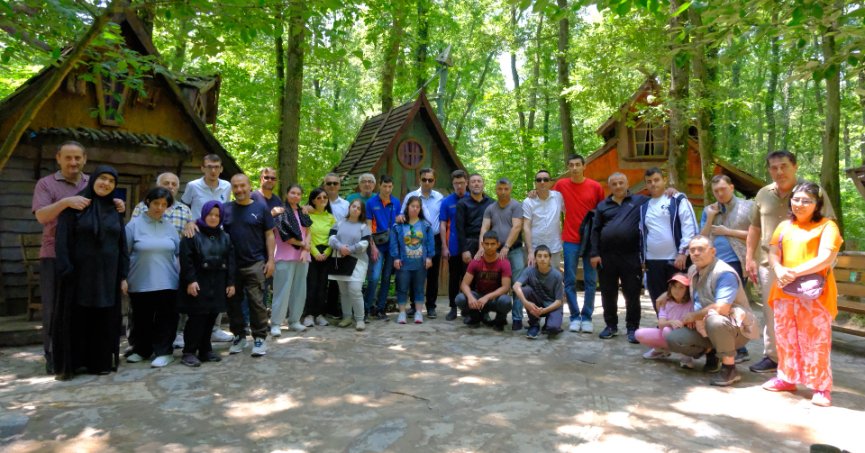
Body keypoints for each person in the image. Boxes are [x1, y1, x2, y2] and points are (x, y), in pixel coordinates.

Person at [32, 141, 124, 373]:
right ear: (58, 158)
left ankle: (89, 358)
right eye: (68, 158)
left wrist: (115, 203)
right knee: (55, 310)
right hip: (55, 255)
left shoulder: (90, 182)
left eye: (77, 158)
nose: (73, 162)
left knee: (86, 313)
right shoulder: (46, 184)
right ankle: (54, 358)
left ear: (84, 159)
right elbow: (42, 216)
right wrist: (65, 202)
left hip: (92, 264)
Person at [745, 150, 834, 374]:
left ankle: (806, 363)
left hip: (806, 265)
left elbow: (828, 224)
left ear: (794, 166)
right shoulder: (763, 194)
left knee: (806, 316)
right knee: (772, 313)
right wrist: (749, 258)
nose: (779, 171)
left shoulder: (812, 192)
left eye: (784, 166)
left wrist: (821, 264)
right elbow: (754, 228)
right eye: (774, 168)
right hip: (770, 264)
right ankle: (774, 358)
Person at [761, 182, 842, 407]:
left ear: (817, 204)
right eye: (796, 199)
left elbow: (826, 258)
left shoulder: (828, 227)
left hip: (814, 292)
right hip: (785, 290)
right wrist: (778, 269)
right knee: (786, 337)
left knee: (816, 340)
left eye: (806, 200)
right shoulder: (785, 226)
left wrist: (794, 272)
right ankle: (787, 378)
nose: (800, 204)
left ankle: (821, 387)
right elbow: (774, 252)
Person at [51, 165, 129, 380]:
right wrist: (66, 269)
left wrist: (123, 275)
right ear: (93, 180)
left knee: (103, 318)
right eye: (102, 179)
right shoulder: (75, 206)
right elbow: (62, 240)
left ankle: (99, 362)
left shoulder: (115, 210)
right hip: (78, 275)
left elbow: (122, 244)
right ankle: (74, 363)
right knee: (77, 317)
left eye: (111, 181)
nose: (106, 184)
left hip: (107, 275)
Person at [665, 236, 759, 387]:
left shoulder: (724, 273)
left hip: (737, 330)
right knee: (674, 339)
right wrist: (666, 296)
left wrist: (694, 316)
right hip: (705, 327)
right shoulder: (692, 270)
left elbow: (722, 308)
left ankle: (729, 368)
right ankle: (712, 353)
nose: (696, 253)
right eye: (692, 250)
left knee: (715, 319)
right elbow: (687, 292)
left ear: (713, 251)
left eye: (701, 249)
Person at [130, 172, 193, 351]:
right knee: (142, 312)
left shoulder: (183, 211)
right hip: (143, 270)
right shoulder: (140, 211)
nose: (171, 186)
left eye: (174, 184)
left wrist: (192, 223)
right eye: (166, 183)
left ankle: (167, 344)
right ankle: (140, 346)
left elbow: (185, 240)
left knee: (168, 311)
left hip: (170, 269)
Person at [180, 154, 234, 343]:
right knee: (194, 284)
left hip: (217, 238)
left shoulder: (226, 186)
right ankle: (183, 332)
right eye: (209, 166)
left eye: (217, 167)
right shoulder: (193, 186)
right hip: (197, 237)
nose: (213, 170)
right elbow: (184, 206)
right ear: (202, 168)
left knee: (217, 283)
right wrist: (188, 223)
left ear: (221, 169)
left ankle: (215, 329)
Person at [124, 187, 181, 368]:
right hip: (140, 280)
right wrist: (123, 278)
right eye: (156, 203)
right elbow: (124, 254)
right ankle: (142, 350)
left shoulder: (170, 227)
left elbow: (178, 253)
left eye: (164, 204)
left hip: (167, 281)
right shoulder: (133, 226)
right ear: (148, 202)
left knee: (166, 319)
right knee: (141, 318)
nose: (160, 207)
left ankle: (164, 352)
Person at [699, 174, 753, 363]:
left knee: (732, 306)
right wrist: (710, 218)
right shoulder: (710, 210)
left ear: (731, 187)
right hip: (713, 264)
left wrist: (727, 231)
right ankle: (720, 345)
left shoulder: (747, 207)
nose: (720, 193)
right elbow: (702, 239)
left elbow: (757, 235)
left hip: (736, 262)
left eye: (723, 189)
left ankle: (740, 347)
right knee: (716, 305)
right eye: (716, 191)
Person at [590, 173, 649, 343]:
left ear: (627, 183)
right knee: (608, 293)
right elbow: (595, 231)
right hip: (607, 257)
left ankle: (633, 328)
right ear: (610, 186)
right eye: (614, 184)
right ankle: (611, 326)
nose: (618, 186)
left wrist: (672, 191)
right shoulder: (602, 206)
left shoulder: (640, 201)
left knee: (632, 293)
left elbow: (659, 195)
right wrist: (594, 254)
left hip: (630, 256)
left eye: (621, 183)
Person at [178, 201, 236, 367]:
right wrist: (190, 280)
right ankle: (189, 351)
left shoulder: (225, 237)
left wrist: (231, 282)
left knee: (212, 316)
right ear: (204, 214)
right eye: (210, 214)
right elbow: (186, 259)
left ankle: (205, 350)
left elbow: (230, 261)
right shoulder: (193, 233)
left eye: (217, 215)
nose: (213, 218)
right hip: (198, 281)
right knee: (197, 318)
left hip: (217, 282)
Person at [223, 174, 275, 357]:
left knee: (257, 302)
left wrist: (271, 260)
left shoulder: (260, 208)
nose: (239, 190)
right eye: (235, 187)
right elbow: (209, 223)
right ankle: (239, 335)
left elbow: (270, 235)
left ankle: (259, 338)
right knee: (233, 303)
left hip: (256, 263)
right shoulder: (226, 209)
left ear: (249, 186)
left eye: (242, 186)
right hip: (231, 265)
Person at [552, 154, 605, 334]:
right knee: (569, 280)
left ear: (584, 166)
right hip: (570, 239)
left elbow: (602, 212)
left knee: (591, 280)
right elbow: (548, 198)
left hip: (590, 241)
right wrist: (534, 192)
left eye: (577, 165)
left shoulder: (595, 187)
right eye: (571, 165)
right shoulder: (561, 185)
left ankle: (587, 317)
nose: (574, 168)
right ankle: (574, 316)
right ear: (568, 167)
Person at [639, 167, 698, 316]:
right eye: (649, 181)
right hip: (652, 261)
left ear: (664, 180)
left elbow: (689, 226)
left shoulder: (677, 200)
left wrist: (683, 252)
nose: (653, 184)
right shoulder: (644, 207)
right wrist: (643, 258)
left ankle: (680, 329)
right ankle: (662, 326)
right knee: (657, 297)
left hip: (676, 259)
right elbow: (642, 233)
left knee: (679, 296)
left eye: (656, 180)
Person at [478, 178, 525, 330]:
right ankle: (500, 317)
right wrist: (481, 247)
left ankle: (517, 318)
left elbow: (517, 227)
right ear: (496, 190)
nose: (503, 192)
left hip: (515, 250)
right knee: (496, 284)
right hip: (495, 252)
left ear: (510, 189)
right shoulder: (490, 208)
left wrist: (507, 246)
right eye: (500, 189)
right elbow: (484, 228)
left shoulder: (516, 206)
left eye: (506, 189)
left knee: (517, 284)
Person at [402, 168, 445, 318]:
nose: (427, 182)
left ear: (434, 181)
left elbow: (444, 220)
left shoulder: (440, 197)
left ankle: (431, 306)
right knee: (416, 273)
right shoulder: (411, 196)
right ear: (419, 180)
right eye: (424, 179)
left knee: (433, 274)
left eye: (430, 180)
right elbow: (402, 216)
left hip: (435, 239)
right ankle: (414, 305)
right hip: (416, 239)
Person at [270, 184, 312, 335]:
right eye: (292, 193)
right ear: (287, 194)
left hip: (302, 257)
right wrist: (303, 245)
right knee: (282, 291)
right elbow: (285, 237)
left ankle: (294, 321)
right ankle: (276, 323)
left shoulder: (303, 212)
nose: (295, 196)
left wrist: (306, 249)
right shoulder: (280, 212)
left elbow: (308, 231)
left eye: (298, 194)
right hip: (284, 256)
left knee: (300, 290)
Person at [455, 231, 513, 331]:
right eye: (486, 244)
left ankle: (500, 320)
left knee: (506, 301)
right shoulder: (476, 261)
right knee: (460, 298)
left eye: (492, 244)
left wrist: (487, 297)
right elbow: (464, 284)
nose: (489, 247)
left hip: (495, 299)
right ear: (482, 244)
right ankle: (475, 317)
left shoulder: (504, 262)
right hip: (478, 297)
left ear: (498, 244)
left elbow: (506, 287)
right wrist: (470, 297)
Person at [390, 196, 435, 324]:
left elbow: (430, 243)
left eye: (417, 207)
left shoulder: (425, 225)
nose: (415, 209)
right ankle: (402, 313)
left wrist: (429, 257)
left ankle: (419, 313)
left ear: (420, 209)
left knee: (419, 288)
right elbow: (394, 244)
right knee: (402, 288)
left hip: (420, 264)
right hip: (403, 263)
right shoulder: (398, 226)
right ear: (407, 207)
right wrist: (396, 258)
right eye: (412, 206)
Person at [635, 274, 695, 367]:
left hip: (684, 336)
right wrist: (670, 322)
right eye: (674, 287)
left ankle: (685, 356)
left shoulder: (691, 303)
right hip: (667, 334)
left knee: (669, 331)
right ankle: (661, 350)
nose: (676, 291)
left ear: (687, 290)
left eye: (681, 288)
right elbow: (661, 323)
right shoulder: (666, 302)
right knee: (639, 333)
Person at [329, 199, 371, 331]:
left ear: (361, 212)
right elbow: (331, 238)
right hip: (341, 261)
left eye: (359, 208)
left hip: (358, 262)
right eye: (354, 206)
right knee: (344, 291)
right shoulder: (340, 223)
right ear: (349, 207)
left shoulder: (364, 227)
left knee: (355, 290)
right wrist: (341, 247)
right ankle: (347, 317)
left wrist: (350, 249)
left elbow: (364, 244)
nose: (355, 209)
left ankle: (359, 319)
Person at [365, 175, 400, 320]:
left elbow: (399, 225)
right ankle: (366, 309)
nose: (387, 189)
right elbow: (368, 226)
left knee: (386, 278)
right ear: (379, 186)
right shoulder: (371, 203)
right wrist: (372, 246)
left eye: (390, 187)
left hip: (391, 245)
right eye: (385, 186)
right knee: (373, 277)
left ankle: (380, 309)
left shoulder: (396, 202)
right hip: (376, 245)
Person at [513, 245, 564, 339]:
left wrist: (544, 311)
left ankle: (549, 323)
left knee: (552, 329)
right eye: (539, 256)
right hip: (536, 305)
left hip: (552, 306)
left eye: (545, 256)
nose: (542, 259)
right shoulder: (529, 271)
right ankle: (534, 324)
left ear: (550, 258)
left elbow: (559, 302)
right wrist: (526, 302)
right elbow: (516, 286)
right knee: (525, 290)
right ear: (535, 258)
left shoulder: (557, 275)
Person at [439, 170, 470, 321]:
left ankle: (466, 307)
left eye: (462, 183)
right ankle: (453, 307)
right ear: (453, 184)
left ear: (467, 183)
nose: (459, 186)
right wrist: (444, 246)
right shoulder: (447, 202)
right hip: (453, 246)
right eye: (456, 183)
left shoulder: (473, 199)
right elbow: (443, 224)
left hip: (470, 247)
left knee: (469, 278)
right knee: (454, 278)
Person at [304, 188, 335, 327]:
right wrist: (315, 252)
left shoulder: (331, 217)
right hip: (311, 252)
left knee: (323, 285)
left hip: (327, 252)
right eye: (319, 197)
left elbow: (334, 237)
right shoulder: (307, 215)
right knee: (311, 284)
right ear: (313, 200)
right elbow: (306, 235)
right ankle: (309, 314)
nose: (322, 199)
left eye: (325, 197)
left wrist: (327, 252)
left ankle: (320, 314)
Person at [522, 169, 564, 269]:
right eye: (539, 180)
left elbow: (571, 213)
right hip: (536, 247)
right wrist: (530, 250)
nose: (542, 182)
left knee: (554, 276)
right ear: (535, 183)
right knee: (535, 278)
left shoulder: (558, 197)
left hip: (554, 246)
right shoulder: (528, 201)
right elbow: (526, 227)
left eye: (545, 179)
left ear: (550, 182)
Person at [323, 173, 349, 319]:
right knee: (320, 279)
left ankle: (332, 309)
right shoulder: (317, 203)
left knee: (336, 280)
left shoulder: (345, 205)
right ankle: (317, 309)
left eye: (335, 183)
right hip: (319, 246)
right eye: (329, 183)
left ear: (339, 185)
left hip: (338, 245)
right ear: (324, 185)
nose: (332, 186)